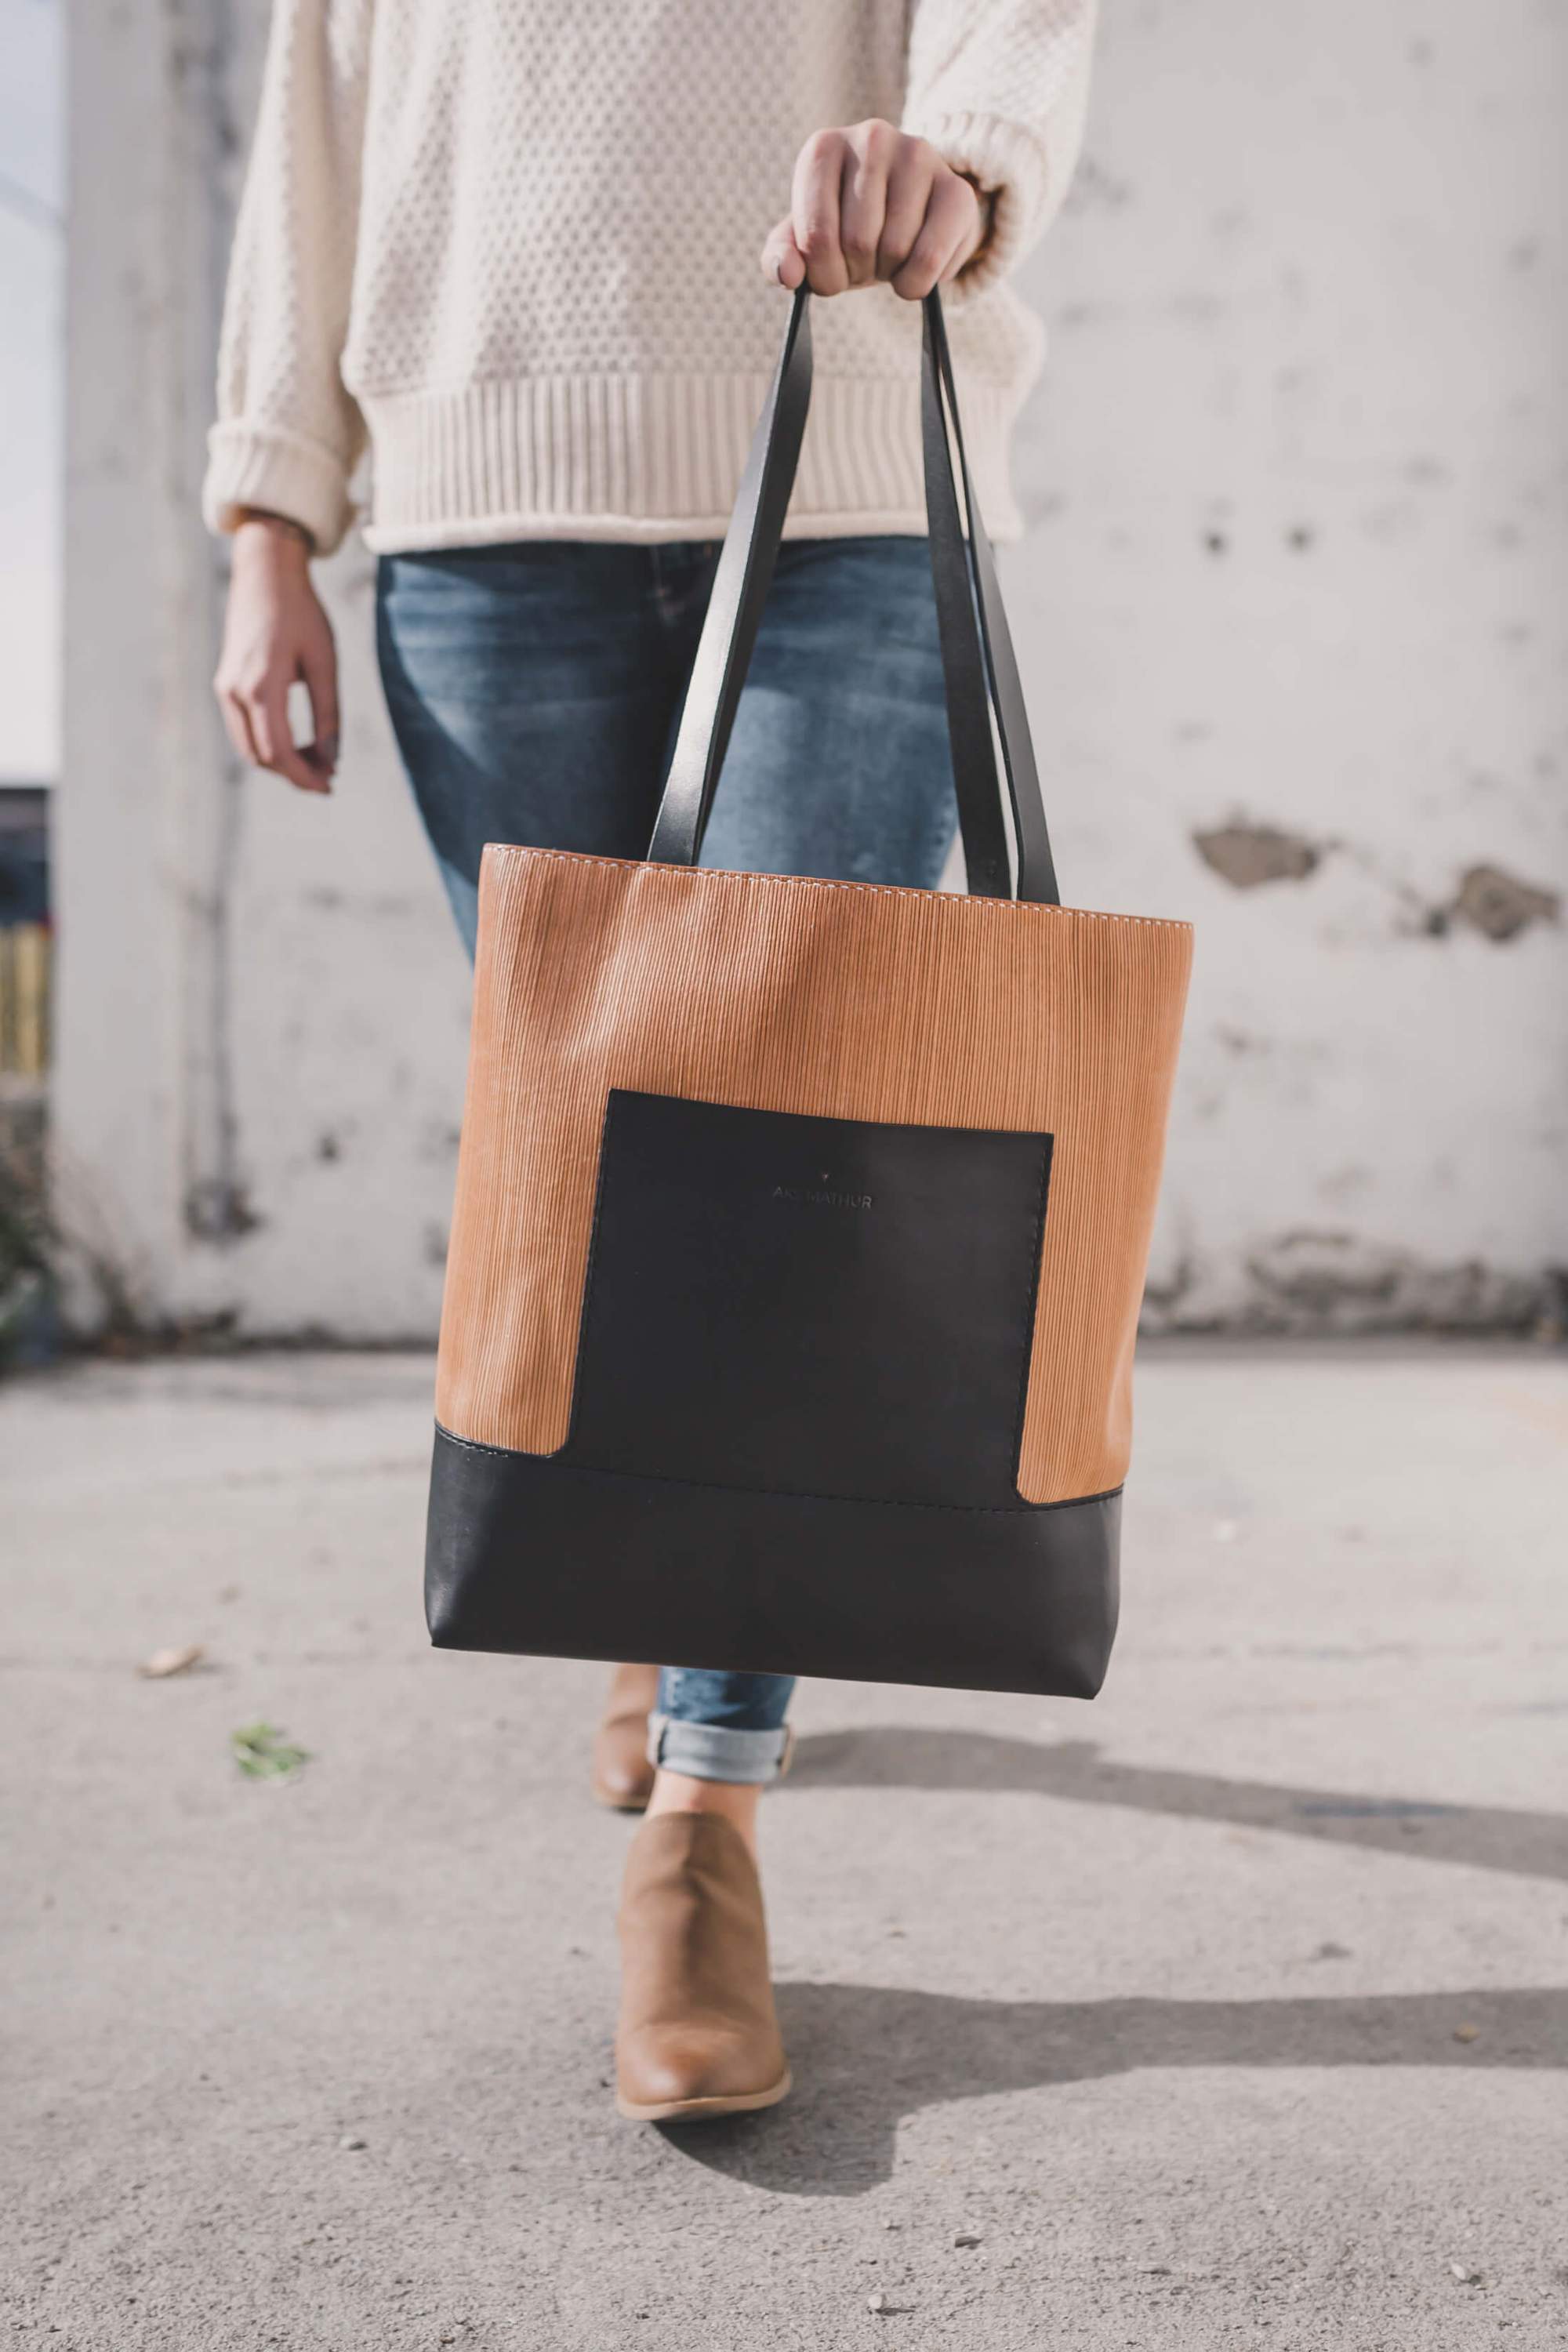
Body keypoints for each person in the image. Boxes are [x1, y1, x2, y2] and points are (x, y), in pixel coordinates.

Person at [205, 0, 1097, 2125]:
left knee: (783, 1180)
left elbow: (1013, 26)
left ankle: (706, 1815)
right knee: (597, 1174)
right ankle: (658, 1585)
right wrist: (267, 521)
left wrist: (956, 154)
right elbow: (317, 120)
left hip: (854, 477)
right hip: (478, 518)